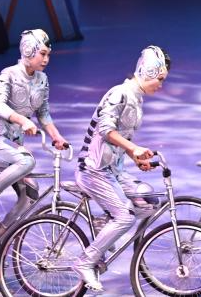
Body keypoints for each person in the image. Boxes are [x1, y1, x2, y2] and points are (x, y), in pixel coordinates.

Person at [72, 46, 170, 292]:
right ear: (148, 71)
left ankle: (104, 222)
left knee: (148, 201)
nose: (161, 85)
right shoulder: (120, 93)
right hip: (93, 169)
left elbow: (121, 138)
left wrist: (135, 157)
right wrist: (134, 148)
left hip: (112, 170)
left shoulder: (136, 98)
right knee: (125, 217)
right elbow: (106, 130)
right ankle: (85, 262)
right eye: (159, 79)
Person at [0, 29, 71, 227]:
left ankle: (3, 233)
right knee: (27, 161)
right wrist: (23, 120)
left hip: (13, 145)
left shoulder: (42, 79)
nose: (46, 59)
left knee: (31, 192)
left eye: (48, 55)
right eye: (42, 54)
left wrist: (57, 137)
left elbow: (43, 113)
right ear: (28, 50)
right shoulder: (8, 74)